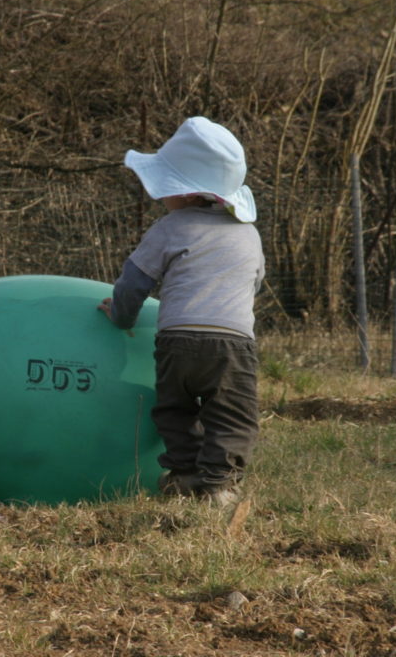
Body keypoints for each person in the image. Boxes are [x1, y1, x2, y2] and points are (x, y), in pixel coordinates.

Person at [97, 116, 265, 507]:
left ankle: (184, 475)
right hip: (232, 345)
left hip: (175, 342)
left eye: (166, 189)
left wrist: (121, 317)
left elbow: (133, 283)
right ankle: (218, 485)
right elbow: (253, 284)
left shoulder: (169, 229)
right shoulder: (248, 234)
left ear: (188, 195)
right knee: (232, 415)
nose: (160, 198)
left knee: (175, 409)